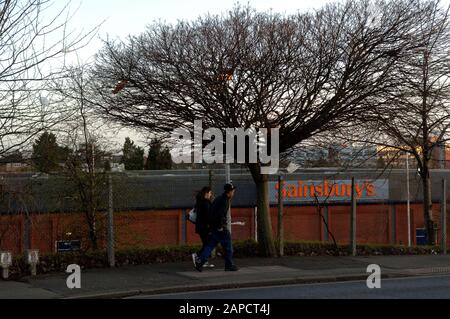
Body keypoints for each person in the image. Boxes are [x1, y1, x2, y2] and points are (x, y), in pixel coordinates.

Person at [194, 183, 238, 272]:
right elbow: (220, 214)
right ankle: (229, 265)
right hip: (220, 228)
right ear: (229, 192)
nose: (233, 193)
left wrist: (213, 225)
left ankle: (200, 262)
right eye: (233, 191)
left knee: (210, 245)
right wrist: (220, 226)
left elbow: (211, 212)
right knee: (228, 246)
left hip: (213, 227)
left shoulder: (218, 199)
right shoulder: (225, 201)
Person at [191, 186, 215, 268]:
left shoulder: (200, 202)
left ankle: (202, 260)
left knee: (206, 244)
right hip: (205, 227)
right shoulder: (205, 203)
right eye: (210, 193)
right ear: (206, 193)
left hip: (201, 227)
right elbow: (208, 216)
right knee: (208, 244)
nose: (211, 195)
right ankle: (197, 256)